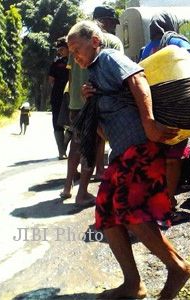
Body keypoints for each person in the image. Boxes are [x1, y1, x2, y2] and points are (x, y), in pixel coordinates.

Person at [67, 20, 190, 299]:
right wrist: (92, 101)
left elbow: (137, 79)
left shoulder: (110, 58)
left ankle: (178, 267)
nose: (75, 57)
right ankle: (133, 284)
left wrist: (149, 122)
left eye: (77, 49)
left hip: (141, 146)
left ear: (96, 42)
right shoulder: (94, 76)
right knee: (107, 213)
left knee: (130, 212)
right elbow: (103, 129)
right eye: (71, 53)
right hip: (122, 153)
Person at [59, 6, 124, 207]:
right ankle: (83, 193)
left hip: (76, 101)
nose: (113, 25)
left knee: (77, 145)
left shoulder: (75, 39)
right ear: (104, 21)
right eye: (112, 21)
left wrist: (72, 98)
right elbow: (118, 71)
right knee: (91, 145)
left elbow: (70, 75)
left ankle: (68, 187)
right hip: (96, 101)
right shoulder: (110, 41)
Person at [139, 12, 190, 223]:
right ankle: (168, 207)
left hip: (155, 107)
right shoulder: (177, 40)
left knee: (160, 155)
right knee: (174, 157)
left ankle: (157, 202)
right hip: (176, 105)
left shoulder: (146, 48)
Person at [48, 37, 70, 159]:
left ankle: (63, 149)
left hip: (68, 95)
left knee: (67, 122)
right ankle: (61, 150)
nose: (60, 52)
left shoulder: (58, 63)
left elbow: (51, 80)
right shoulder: (58, 63)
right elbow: (50, 80)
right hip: (59, 96)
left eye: (62, 49)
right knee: (59, 123)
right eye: (59, 50)